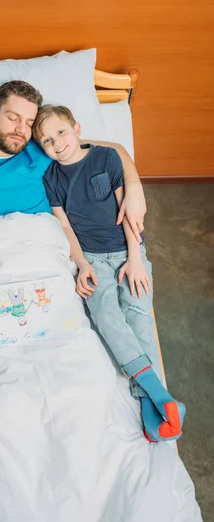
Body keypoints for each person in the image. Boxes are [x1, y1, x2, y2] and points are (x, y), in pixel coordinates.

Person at [0, 81, 147, 367]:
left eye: (29, 122)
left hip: (40, 269)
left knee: (76, 368)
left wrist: (134, 189)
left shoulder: (41, 151)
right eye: (12, 118)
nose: (21, 129)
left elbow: (114, 151)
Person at [32, 104, 186, 442]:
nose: (57, 143)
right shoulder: (51, 179)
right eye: (46, 141)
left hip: (127, 250)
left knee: (139, 315)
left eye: (61, 132)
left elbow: (128, 212)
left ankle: (150, 401)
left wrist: (134, 257)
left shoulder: (107, 158)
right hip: (91, 257)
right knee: (106, 315)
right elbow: (66, 228)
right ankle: (161, 399)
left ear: (76, 127)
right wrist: (82, 265)